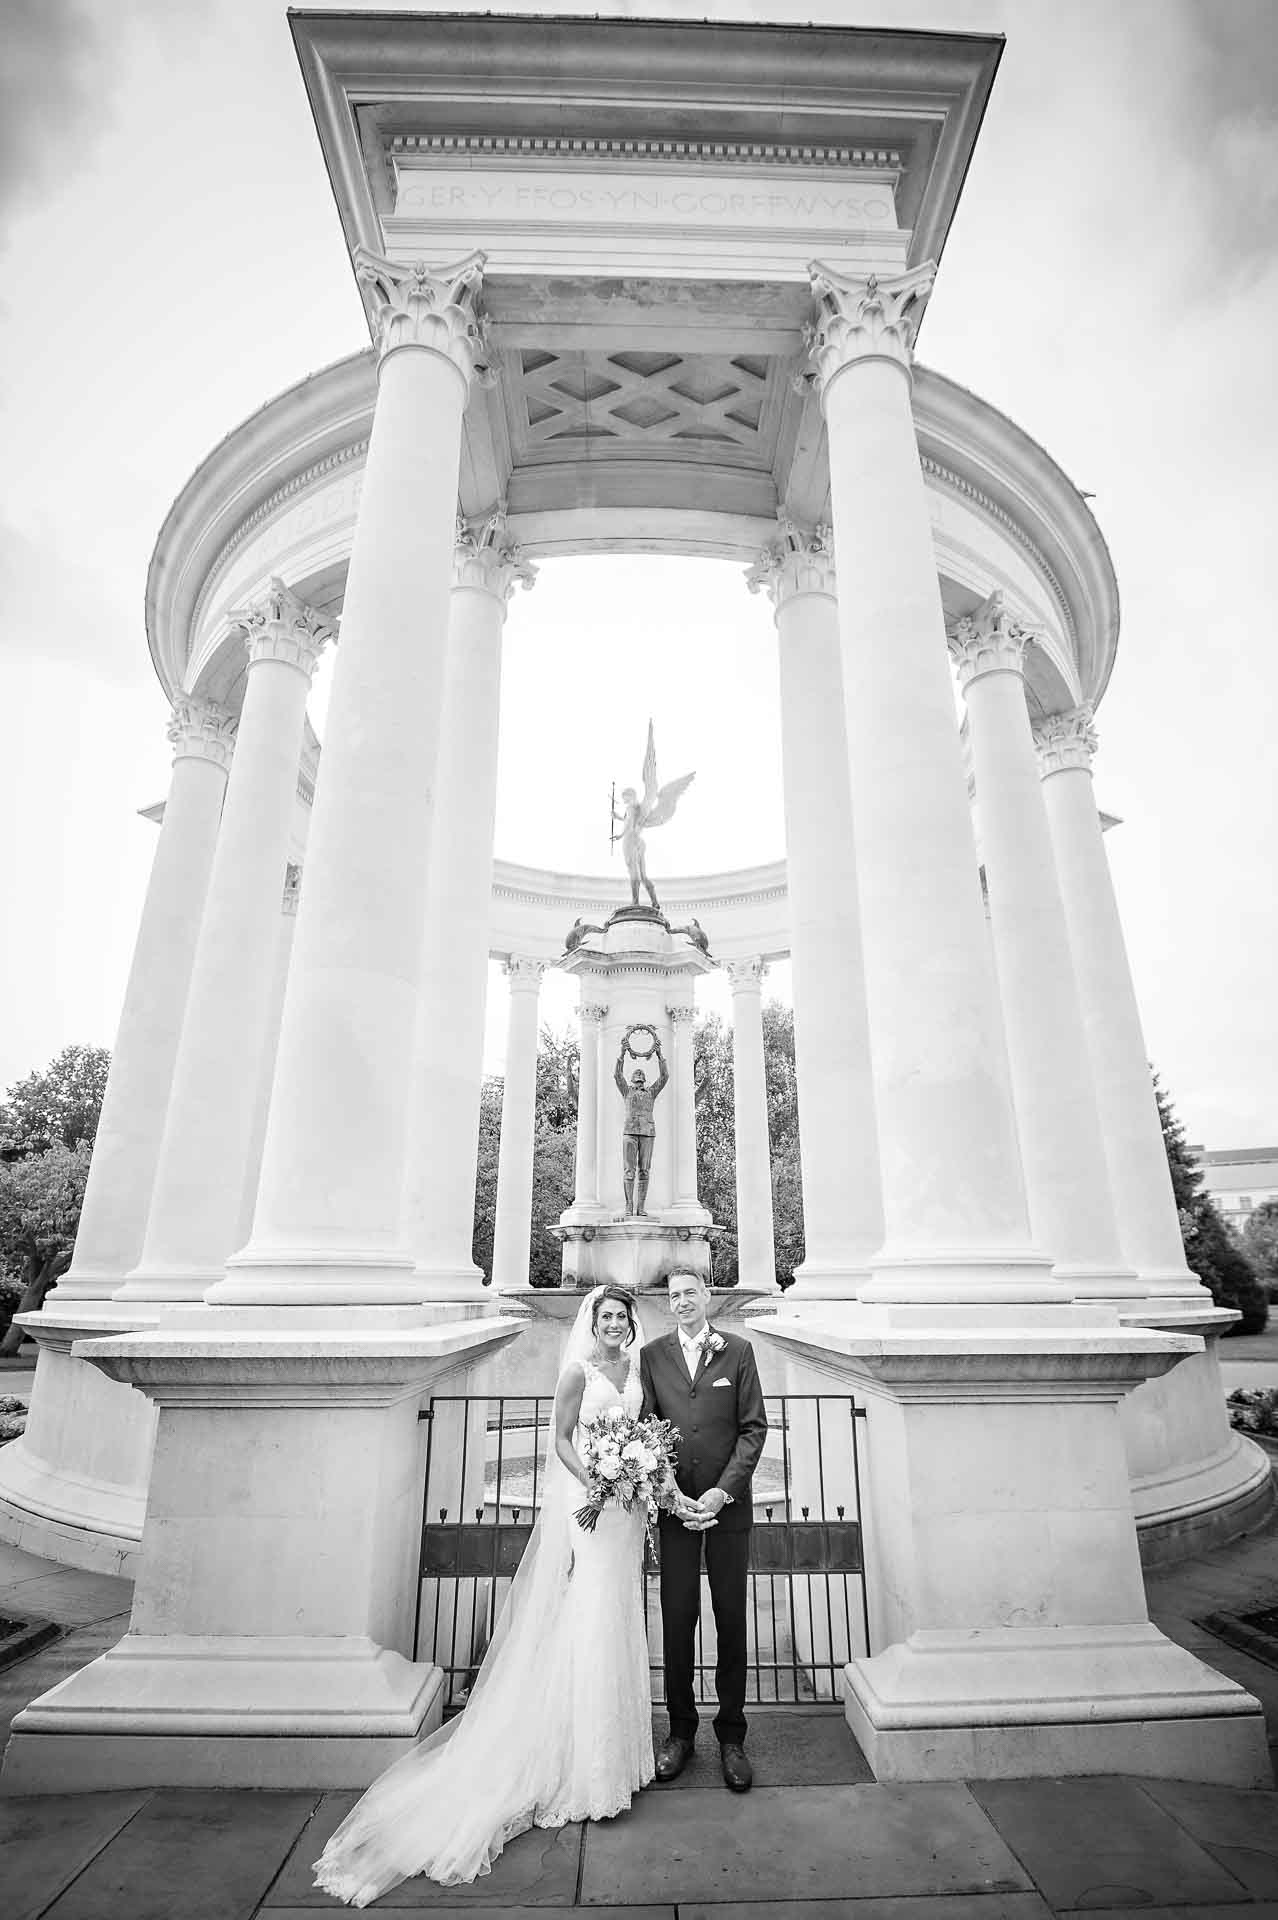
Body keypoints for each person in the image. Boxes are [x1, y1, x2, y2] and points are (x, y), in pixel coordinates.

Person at [313, 1285, 664, 1905]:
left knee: (618, 1618)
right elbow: (561, 1441)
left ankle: (618, 1758)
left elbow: (641, 1433)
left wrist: (638, 1472)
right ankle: (580, 1768)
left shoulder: (635, 1369)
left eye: (621, 1317)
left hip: (626, 1515)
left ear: (631, 1325)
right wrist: (597, 1481)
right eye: (605, 1316)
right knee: (589, 1618)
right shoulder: (577, 1373)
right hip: (592, 1507)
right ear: (595, 1322)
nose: (613, 1324)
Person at [640, 1267, 768, 1793]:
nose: (683, 1301)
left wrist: (722, 1491)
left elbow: (753, 1428)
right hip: (675, 1512)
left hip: (726, 1511)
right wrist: (670, 1489)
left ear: (707, 1296)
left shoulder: (737, 1351)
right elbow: (648, 1427)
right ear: (668, 1304)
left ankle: (732, 1736)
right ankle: (681, 1732)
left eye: (691, 1292)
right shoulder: (652, 1356)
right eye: (674, 1295)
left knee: (731, 1618)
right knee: (677, 1619)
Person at [614, 1027, 668, 1216]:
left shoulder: (651, 1092)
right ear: (632, 1081)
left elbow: (664, 1077)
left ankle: (641, 1207)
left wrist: (660, 1055)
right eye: (636, 1080)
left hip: (647, 1133)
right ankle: (629, 1206)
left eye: (640, 1080)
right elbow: (617, 1076)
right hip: (629, 1133)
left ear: (644, 1081)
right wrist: (623, 1052)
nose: (638, 1083)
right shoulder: (626, 1091)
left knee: (644, 1170)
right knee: (629, 1171)